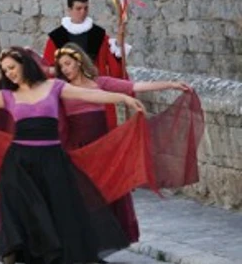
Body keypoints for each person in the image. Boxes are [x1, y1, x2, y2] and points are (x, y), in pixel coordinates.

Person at [0, 48, 145, 264]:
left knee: (40, 218)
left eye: (12, 68)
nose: (9, 73)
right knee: (14, 215)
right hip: (18, 163)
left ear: (24, 64)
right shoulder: (7, 96)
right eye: (5, 70)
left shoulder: (54, 86)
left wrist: (122, 98)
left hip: (51, 162)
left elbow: (91, 94)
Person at [54, 43, 190, 247]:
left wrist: (171, 84)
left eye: (68, 63)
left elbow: (133, 87)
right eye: (61, 66)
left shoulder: (99, 83)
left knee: (105, 191)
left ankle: (104, 240)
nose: (65, 69)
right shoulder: (62, 88)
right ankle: (83, 242)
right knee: (83, 195)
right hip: (77, 148)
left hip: (102, 145)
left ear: (79, 62)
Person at [43, 0, 129, 79]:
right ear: (69, 10)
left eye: (86, 8)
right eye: (78, 8)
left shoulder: (98, 34)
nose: (83, 12)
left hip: (93, 83)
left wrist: (118, 43)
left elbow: (112, 62)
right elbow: (48, 67)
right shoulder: (56, 36)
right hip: (66, 86)